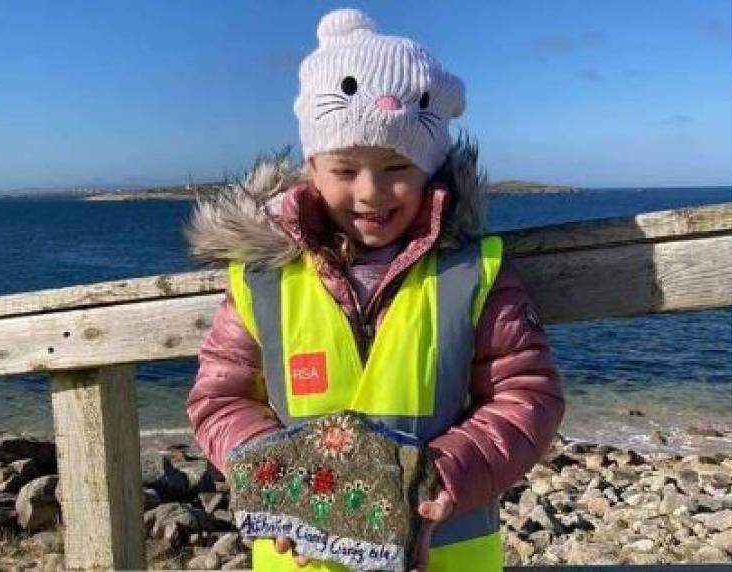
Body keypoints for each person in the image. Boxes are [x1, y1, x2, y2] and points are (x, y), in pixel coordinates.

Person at [185, 8, 564, 572]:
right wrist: (277, 475)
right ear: (312, 167)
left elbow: (527, 395)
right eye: (345, 169)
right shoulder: (260, 277)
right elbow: (220, 399)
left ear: (430, 168)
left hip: (446, 550)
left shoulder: (474, 270)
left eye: (395, 166)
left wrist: (440, 475)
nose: (371, 191)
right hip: (301, 556)